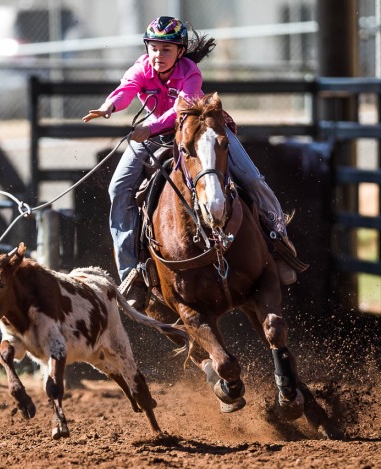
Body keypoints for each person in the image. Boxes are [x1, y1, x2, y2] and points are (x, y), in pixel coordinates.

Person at [83, 16, 299, 310]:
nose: (158, 56)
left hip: (199, 129)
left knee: (252, 179)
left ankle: (278, 244)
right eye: (154, 48)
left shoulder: (190, 73)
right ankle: (131, 273)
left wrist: (149, 128)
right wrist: (109, 106)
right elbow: (126, 89)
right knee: (118, 188)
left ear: (180, 52)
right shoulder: (141, 67)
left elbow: (180, 110)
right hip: (154, 133)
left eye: (166, 50)